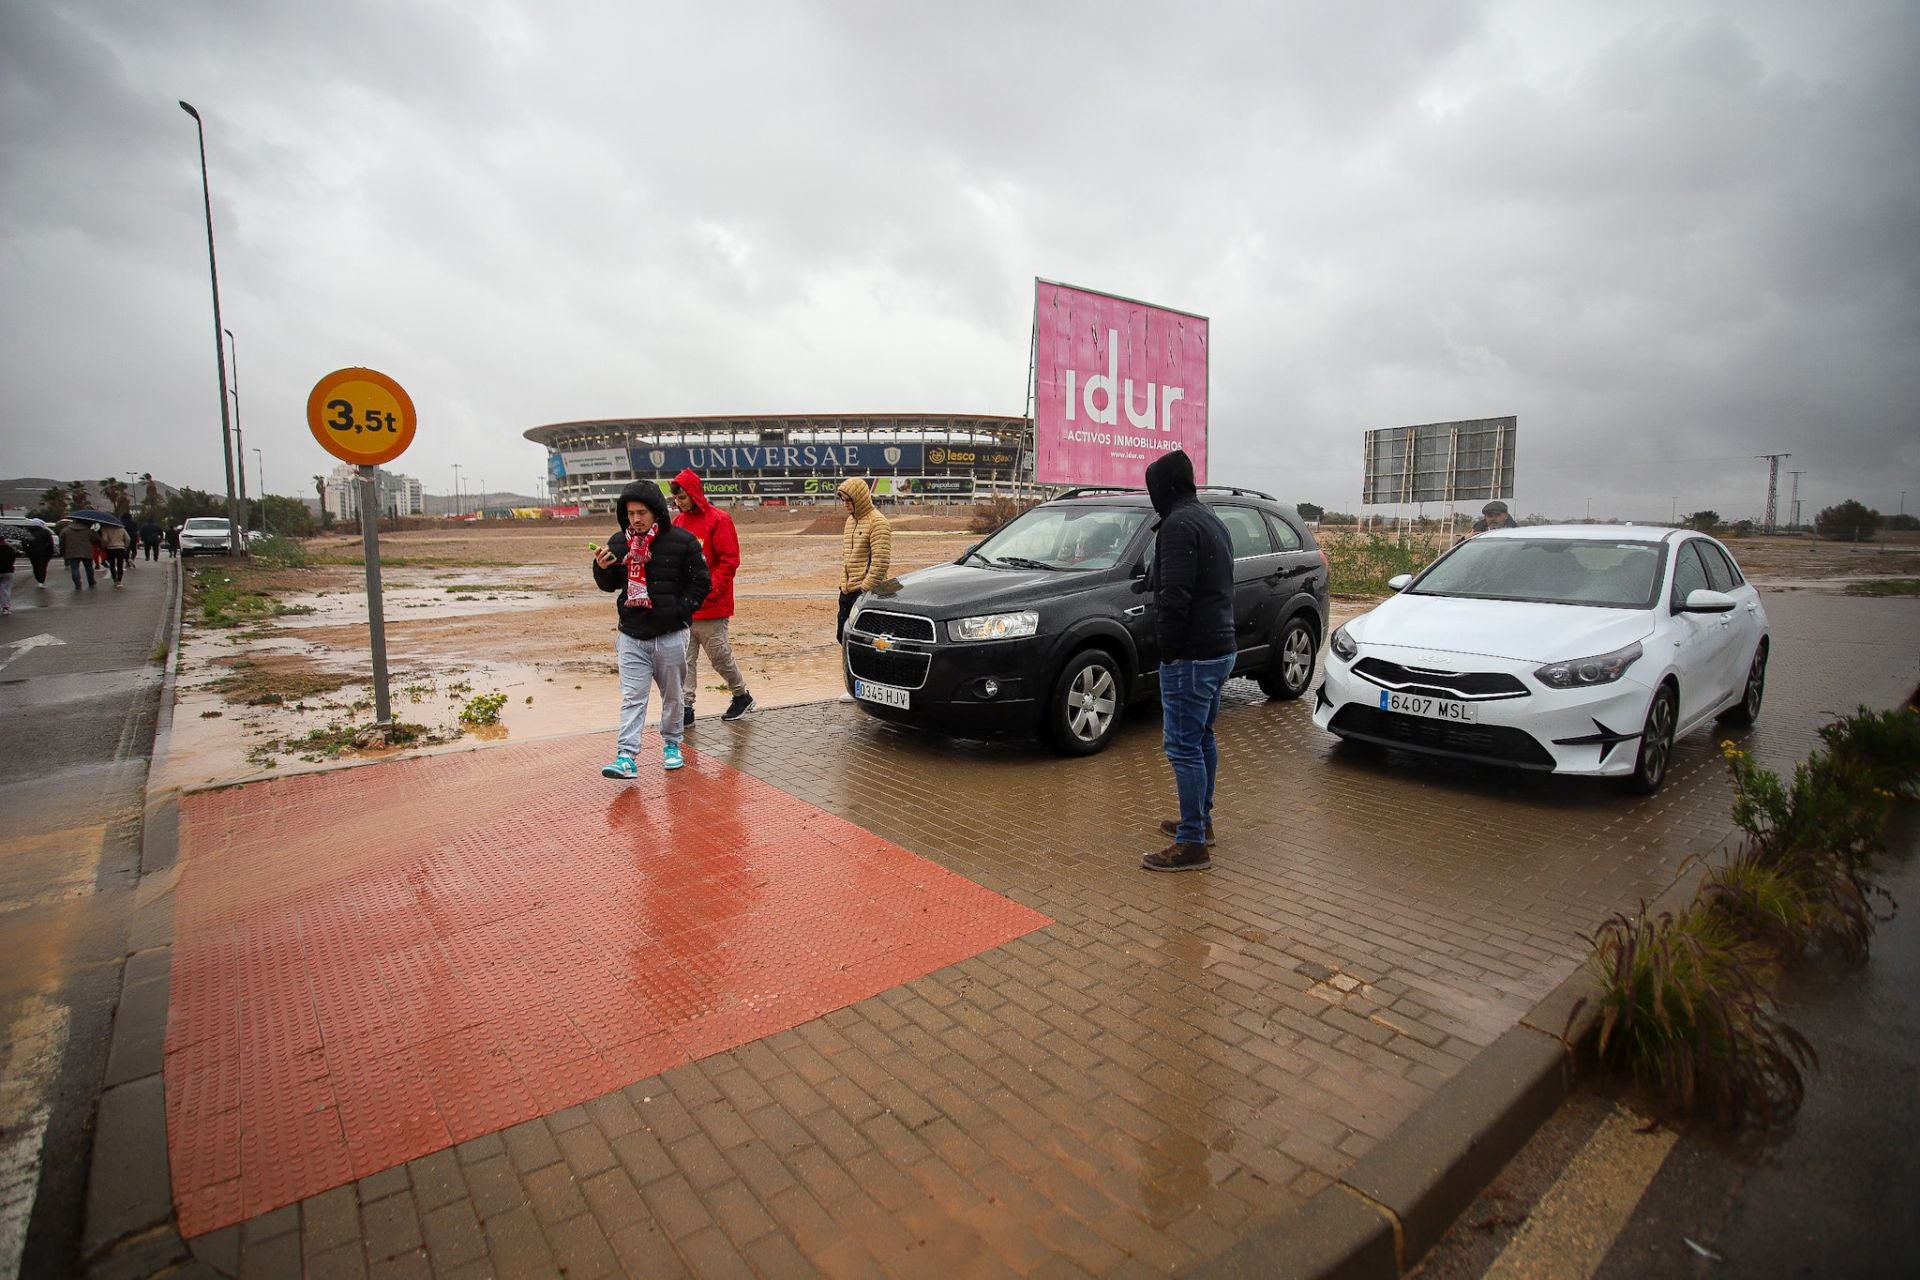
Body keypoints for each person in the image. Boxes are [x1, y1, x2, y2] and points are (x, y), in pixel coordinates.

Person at [1141, 450, 1235, 873]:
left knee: (1182, 746)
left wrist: (1169, 650)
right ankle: (1202, 822)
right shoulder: (1210, 519)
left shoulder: (1178, 526)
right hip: (1220, 649)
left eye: (1153, 488)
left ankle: (1192, 841)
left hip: (1192, 655)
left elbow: (1174, 597)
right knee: (1201, 739)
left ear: (1166, 487)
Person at [592, 480, 710, 778]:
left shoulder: (683, 542)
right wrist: (601, 569)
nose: (636, 519)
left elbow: (701, 583)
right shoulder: (619, 542)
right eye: (630, 513)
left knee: (673, 696)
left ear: (656, 512)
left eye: (641, 512)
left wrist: (680, 611)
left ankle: (672, 744)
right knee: (633, 696)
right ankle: (626, 756)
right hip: (631, 634)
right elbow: (610, 586)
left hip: (670, 634)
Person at [669, 470, 755, 726]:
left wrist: (707, 590)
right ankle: (686, 708)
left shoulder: (719, 520)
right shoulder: (678, 523)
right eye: (676, 499)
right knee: (684, 660)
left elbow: (729, 562)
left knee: (719, 656)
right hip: (685, 607)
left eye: (683, 497)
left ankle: (741, 695)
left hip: (712, 605)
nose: (679, 503)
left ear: (694, 493)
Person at [834, 478, 893, 701]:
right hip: (846, 590)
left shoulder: (878, 522)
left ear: (860, 498)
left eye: (849, 500)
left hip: (866, 594)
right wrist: (844, 584)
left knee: (870, 643)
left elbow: (880, 563)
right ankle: (858, 683)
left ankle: (869, 685)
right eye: (843, 500)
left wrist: (863, 590)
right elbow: (848, 559)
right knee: (843, 636)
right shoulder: (850, 522)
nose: (846, 504)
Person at [61, 520, 97, 588]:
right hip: (86, 551)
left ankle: (78, 584)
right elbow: (96, 540)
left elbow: (62, 542)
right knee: (89, 568)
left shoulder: (66, 530)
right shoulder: (88, 530)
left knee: (74, 568)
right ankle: (91, 581)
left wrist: (62, 552)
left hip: (72, 551)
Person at [100, 518, 132, 585]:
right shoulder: (121, 528)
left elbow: (104, 539)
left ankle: (114, 578)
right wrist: (125, 547)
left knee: (112, 564)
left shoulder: (105, 528)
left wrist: (104, 546)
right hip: (120, 548)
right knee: (120, 564)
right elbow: (128, 539)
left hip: (110, 548)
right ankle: (119, 579)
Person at [25, 518, 55, 588]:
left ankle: (38, 579)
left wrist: (27, 551)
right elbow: (50, 543)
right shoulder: (46, 532)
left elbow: (24, 543)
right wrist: (51, 552)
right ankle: (41, 581)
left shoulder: (28, 533)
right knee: (43, 566)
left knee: (35, 566)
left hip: (32, 552)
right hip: (44, 552)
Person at [0, 534, 14, 615]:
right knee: (6, 589)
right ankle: (6, 608)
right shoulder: (9, 548)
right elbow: (12, 559)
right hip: (8, 571)